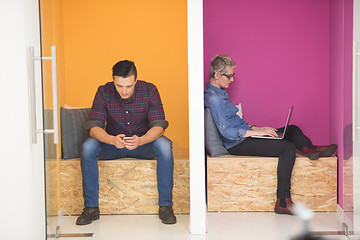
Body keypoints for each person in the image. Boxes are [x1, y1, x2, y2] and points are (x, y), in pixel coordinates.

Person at [204, 54, 337, 215]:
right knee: (287, 148)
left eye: (233, 75)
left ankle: (310, 150)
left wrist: (258, 129)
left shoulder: (220, 94)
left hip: (245, 135)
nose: (232, 80)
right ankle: (283, 201)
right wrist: (254, 132)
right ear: (217, 76)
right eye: (229, 76)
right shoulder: (214, 99)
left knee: (292, 129)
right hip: (237, 144)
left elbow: (234, 122)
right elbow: (227, 131)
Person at [76, 60, 176, 225]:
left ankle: (165, 206)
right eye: (119, 86)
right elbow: (94, 128)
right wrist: (111, 140)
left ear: (135, 80)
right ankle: (91, 208)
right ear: (113, 81)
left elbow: (159, 127)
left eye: (128, 86)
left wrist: (142, 140)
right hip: (114, 145)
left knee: (165, 145)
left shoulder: (150, 90)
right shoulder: (103, 91)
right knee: (88, 146)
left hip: (143, 144)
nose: (123, 91)